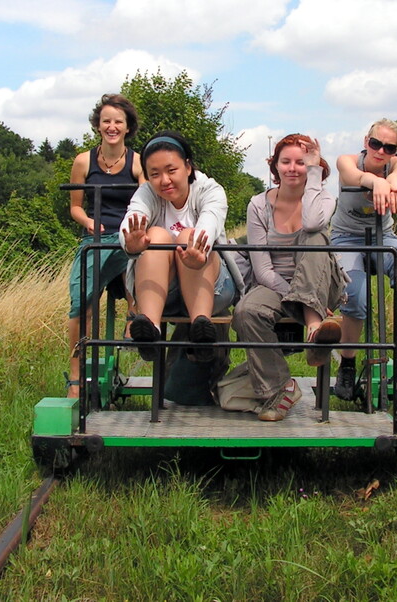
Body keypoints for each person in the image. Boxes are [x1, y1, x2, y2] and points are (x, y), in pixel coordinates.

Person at [232, 134, 346, 421]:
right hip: (276, 284)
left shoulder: (324, 199)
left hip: (320, 282)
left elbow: (312, 223)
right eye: (286, 162)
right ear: (276, 166)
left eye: (301, 162)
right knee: (246, 311)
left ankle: (313, 324)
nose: (293, 168)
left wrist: (314, 171)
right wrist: (294, 295)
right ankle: (280, 388)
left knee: (315, 235)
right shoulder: (258, 205)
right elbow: (263, 270)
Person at [119, 130, 239, 363]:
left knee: (188, 236)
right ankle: (150, 330)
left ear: (188, 167)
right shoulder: (145, 194)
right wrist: (131, 243)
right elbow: (132, 219)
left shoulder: (211, 190)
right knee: (154, 236)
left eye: (171, 170)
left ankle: (200, 328)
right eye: (154, 174)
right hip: (165, 291)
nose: (164, 181)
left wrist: (198, 252)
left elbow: (209, 225)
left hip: (214, 289)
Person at [331, 118, 397, 401]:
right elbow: (352, 177)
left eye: (389, 148)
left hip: (384, 237)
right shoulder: (348, 160)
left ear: (395, 151)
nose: (380, 151)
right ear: (365, 142)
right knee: (355, 294)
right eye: (375, 144)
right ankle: (347, 364)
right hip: (347, 238)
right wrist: (375, 181)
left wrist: (393, 180)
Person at [65, 93, 144, 398]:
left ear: (127, 128)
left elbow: (145, 203)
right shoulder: (83, 161)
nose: (112, 126)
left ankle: (134, 317)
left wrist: (131, 229)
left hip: (128, 234)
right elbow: (75, 206)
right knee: (80, 303)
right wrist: (87, 221)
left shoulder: (137, 162)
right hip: (95, 237)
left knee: (134, 254)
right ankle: (75, 375)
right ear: (98, 125)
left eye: (118, 122)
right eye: (106, 121)